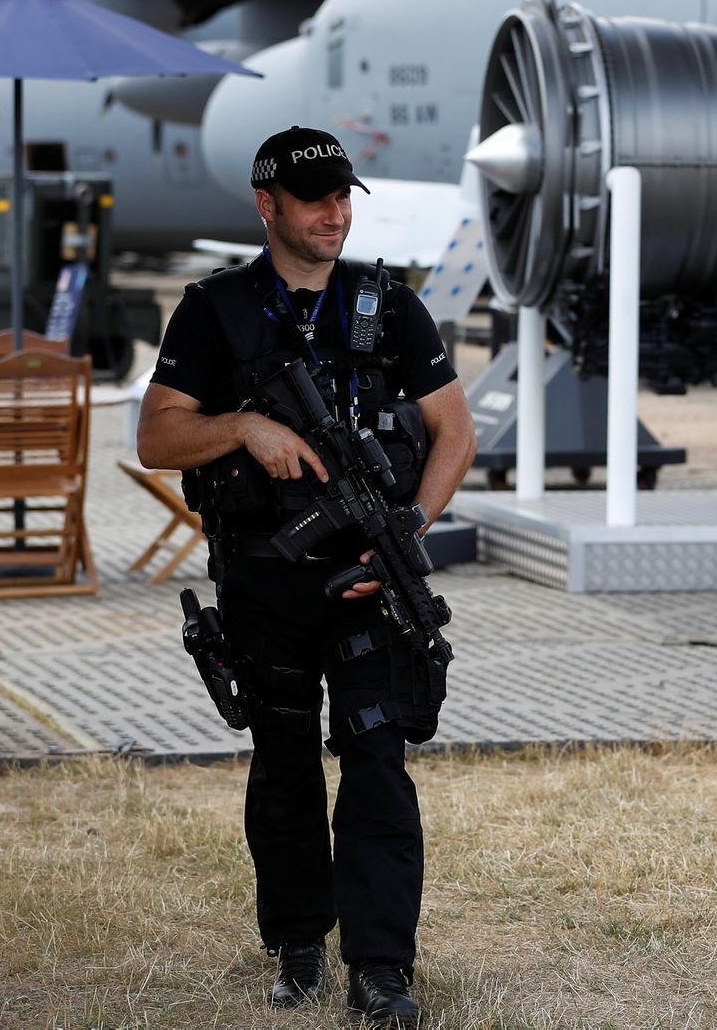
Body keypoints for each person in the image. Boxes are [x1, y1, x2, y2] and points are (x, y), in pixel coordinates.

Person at [137, 127, 476, 1025]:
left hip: (367, 582)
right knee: (283, 767)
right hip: (264, 581)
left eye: (343, 196)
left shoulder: (387, 304)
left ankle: (381, 967)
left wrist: (405, 528)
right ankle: (297, 943)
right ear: (267, 207)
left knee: (376, 764)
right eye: (315, 197)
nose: (335, 212)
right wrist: (244, 429)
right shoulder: (215, 309)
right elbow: (158, 435)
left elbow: (455, 433)